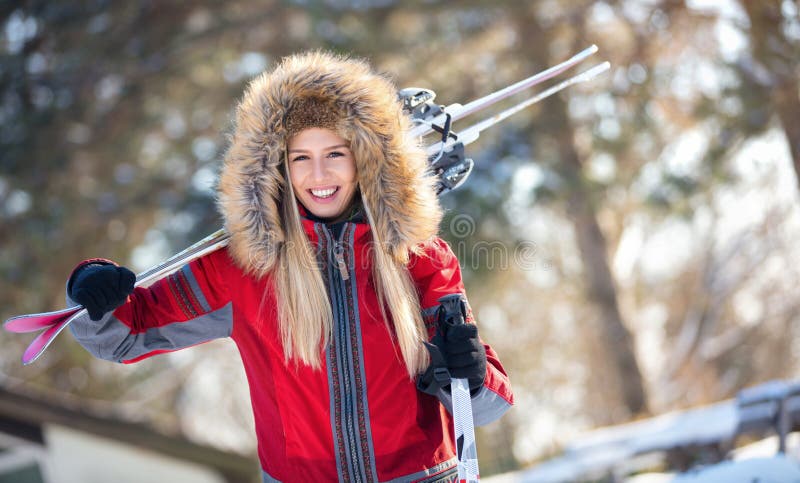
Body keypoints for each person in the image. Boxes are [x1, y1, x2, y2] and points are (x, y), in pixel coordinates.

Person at [66, 51, 513, 482]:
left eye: (335, 154)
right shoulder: (242, 268)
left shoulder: (419, 257)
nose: (319, 175)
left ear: (365, 160)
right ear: (277, 169)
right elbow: (127, 336)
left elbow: (486, 408)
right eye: (301, 158)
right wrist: (95, 295)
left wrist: (471, 375)